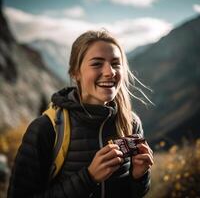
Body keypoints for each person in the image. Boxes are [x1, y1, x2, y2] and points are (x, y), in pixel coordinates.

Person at [7, 30, 153, 198]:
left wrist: (140, 177)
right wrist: (88, 178)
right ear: (75, 72)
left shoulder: (131, 123)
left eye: (115, 63)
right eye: (97, 64)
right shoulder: (46, 128)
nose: (110, 72)